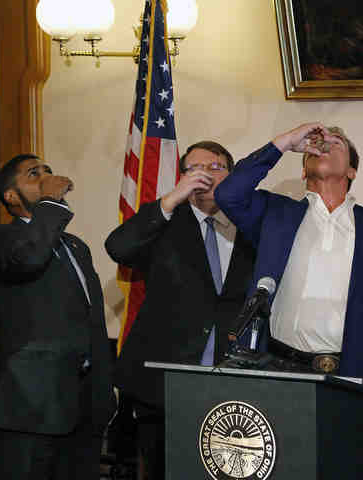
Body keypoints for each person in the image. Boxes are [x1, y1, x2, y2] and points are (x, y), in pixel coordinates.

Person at [214, 122, 363, 431]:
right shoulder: (276, 215)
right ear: (304, 170)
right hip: (279, 370)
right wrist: (284, 142)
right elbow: (228, 193)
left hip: (354, 376)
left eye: (338, 143)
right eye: (318, 143)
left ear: (352, 171)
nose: (326, 145)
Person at [106, 141, 256, 479]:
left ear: (231, 175)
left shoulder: (252, 223)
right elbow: (118, 247)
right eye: (193, 169)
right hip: (164, 381)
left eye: (215, 167)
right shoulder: (165, 221)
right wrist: (170, 200)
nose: (204, 175)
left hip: (234, 382)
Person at [0, 154, 115, 479]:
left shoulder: (75, 246)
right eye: (33, 174)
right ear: (11, 197)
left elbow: (91, 319)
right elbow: (28, 259)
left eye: (48, 171)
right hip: (29, 407)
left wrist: (104, 390)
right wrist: (50, 200)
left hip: (83, 404)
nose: (46, 177)